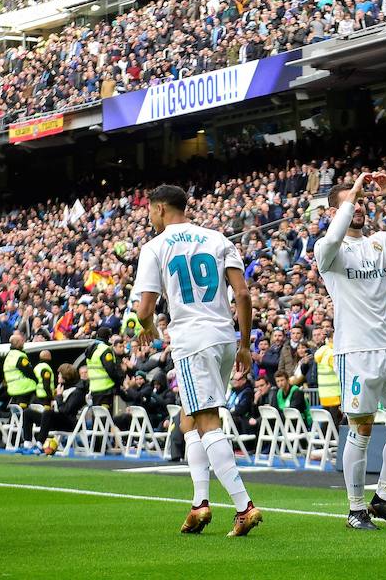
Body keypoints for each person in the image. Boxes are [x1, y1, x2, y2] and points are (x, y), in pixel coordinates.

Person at [134, 184, 262, 537]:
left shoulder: (155, 246)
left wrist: (145, 327)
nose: (149, 216)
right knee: (189, 420)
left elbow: (145, 308)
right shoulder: (218, 238)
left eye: (149, 210)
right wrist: (246, 345)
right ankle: (199, 504)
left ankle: (243, 506)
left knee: (206, 422)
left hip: (192, 340)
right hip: (224, 338)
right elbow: (243, 293)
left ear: (159, 208)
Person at [315, 171, 386, 531]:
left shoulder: (380, 243)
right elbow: (335, 233)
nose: (361, 206)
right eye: (353, 202)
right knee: (361, 428)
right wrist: (348, 200)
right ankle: (355, 509)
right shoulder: (328, 250)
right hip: (356, 350)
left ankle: (382, 497)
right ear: (334, 211)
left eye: (363, 201)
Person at [19, 364, 88, 452]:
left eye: (60, 374)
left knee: (48, 412)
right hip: (55, 420)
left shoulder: (77, 391)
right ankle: (27, 444)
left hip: (69, 423)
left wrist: (59, 396)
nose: (58, 376)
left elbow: (65, 410)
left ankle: (39, 444)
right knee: (28, 412)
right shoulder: (61, 388)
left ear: (66, 376)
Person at [85, 327, 122, 408]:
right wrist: (118, 382)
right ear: (108, 337)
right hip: (106, 389)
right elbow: (110, 369)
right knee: (105, 417)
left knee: (97, 416)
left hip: (94, 388)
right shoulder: (105, 349)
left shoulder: (91, 349)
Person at [312, 329, 342, 426]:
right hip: (335, 393)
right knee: (333, 424)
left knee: (327, 422)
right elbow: (340, 370)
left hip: (325, 394)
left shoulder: (321, 351)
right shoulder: (331, 353)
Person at [2, 331, 37, 407]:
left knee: (17, 414)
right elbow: (29, 371)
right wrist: (36, 380)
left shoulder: (9, 356)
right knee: (24, 414)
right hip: (24, 389)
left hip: (13, 389)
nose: (23, 343)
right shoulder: (19, 356)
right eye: (22, 341)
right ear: (18, 343)